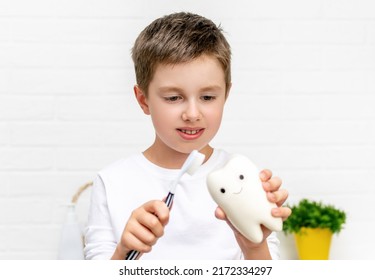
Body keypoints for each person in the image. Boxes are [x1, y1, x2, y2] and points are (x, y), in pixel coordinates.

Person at [84, 12, 291, 260]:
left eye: (207, 97)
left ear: (226, 95)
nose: (192, 114)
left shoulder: (243, 179)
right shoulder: (111, 183)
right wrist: (122, 254)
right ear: (143, 100)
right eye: (173, 98)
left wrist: (255, 246)